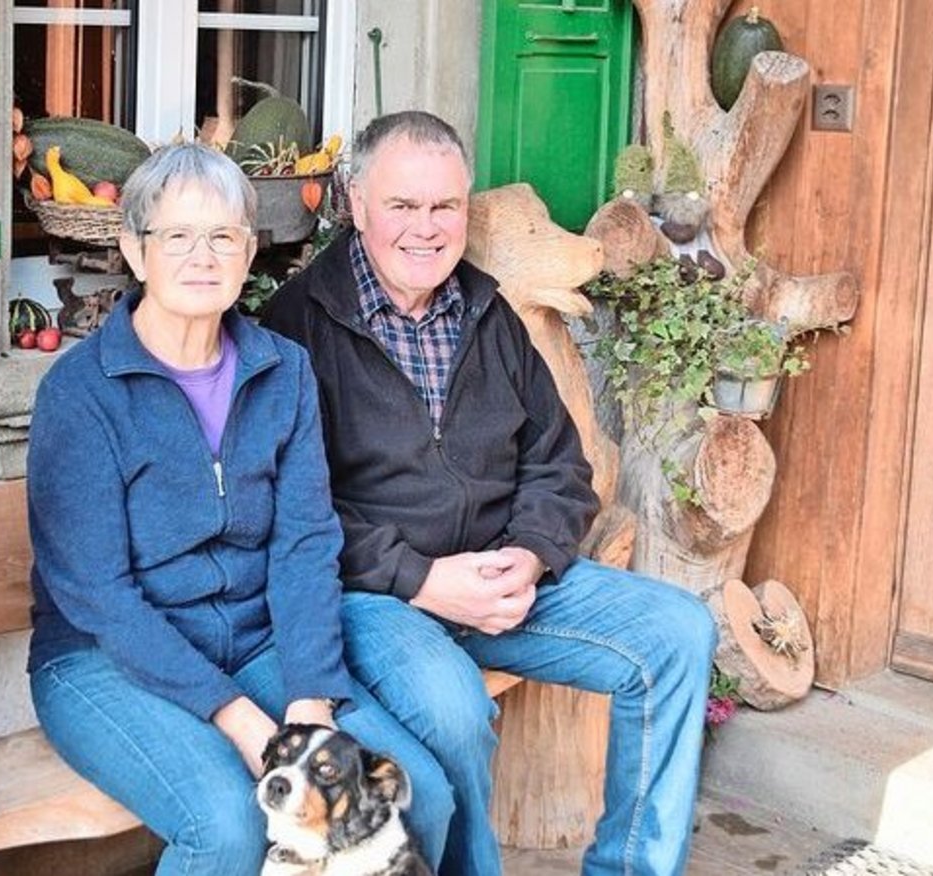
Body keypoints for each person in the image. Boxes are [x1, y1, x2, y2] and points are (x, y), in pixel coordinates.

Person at [262, 111, 718, 876]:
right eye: (403, 206)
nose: (426, 228)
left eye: (444, 207)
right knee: (452, 709)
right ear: (358, 203)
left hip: (504, 582)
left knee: (677, 632)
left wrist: (531, 556)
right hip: (377, 597)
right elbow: (290, 509)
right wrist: (424, 578)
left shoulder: (486, 312)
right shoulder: (297, 327)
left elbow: (559, 463)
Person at [25, 142, 454, 875]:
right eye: (177, 237)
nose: (202, 257)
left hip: (254, 642)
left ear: (248, 250)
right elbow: (100, 595)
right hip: (103, 660)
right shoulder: (82, 392)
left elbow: (304, 544)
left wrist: (312, 697)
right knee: (224, 825)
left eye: (223, 236)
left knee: (419, 798)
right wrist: (237, 716)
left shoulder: (282, 372)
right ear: (135, 249)